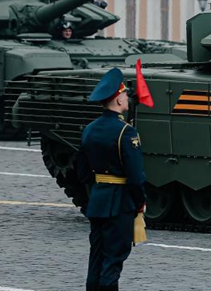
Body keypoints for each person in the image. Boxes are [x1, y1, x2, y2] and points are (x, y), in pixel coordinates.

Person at [76, 68, 145, 291]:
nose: (127, 98)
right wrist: (140, 202)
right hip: (120, 203)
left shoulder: (89, 129)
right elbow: (135, 177)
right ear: (117, 99)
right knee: (113, 260)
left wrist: (95, 192)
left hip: (98, 201)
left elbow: (82, 171)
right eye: (125, 95)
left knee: (96, 258)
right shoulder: (127, 132)